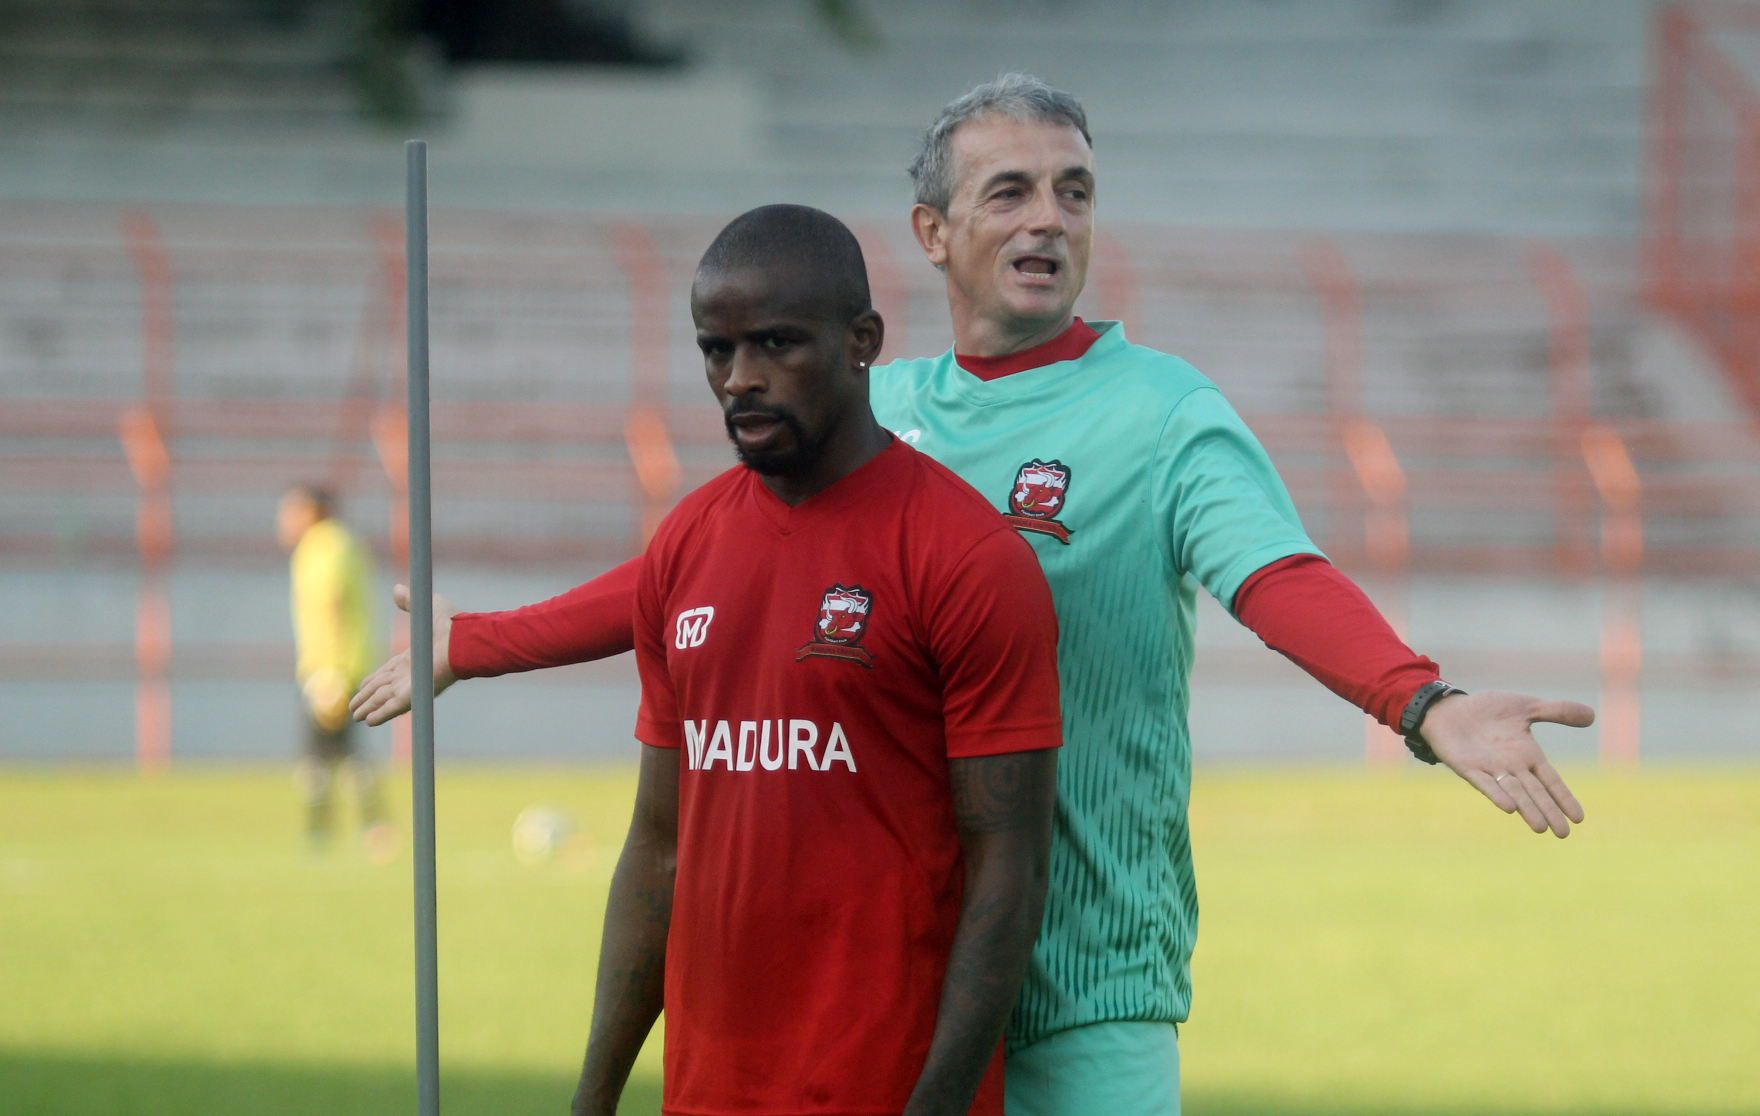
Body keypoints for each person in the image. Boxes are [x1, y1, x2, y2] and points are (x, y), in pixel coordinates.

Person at [353, 77, 1594, 1115]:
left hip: (1087, 969)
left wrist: (1421, 704)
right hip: (895, 988)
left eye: (1074, 191)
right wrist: (475, 642)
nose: (1046, 218)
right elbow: (698, 578)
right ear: (932, 233)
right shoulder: (872, 409)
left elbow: (1276, 574)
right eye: (1008, 190)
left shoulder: (1159, 414)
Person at [571, 205, 1063, 1116]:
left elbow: (1011, 866)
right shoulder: (684, 546)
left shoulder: (968, 558)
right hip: (708, 1093)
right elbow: (659, 847)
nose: (741, 380)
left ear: (861, 341)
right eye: (716, 352)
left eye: (776, 345)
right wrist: (593, 1098)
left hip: (880, 1086)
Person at [276, 484, 384, 850]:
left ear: (312, 511)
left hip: (332, 671)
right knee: (344, 754)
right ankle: (372, 828)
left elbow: (332, 603)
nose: (284, 520)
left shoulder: (323, 545)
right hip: (345, 665)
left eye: (291, 511)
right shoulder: (343, 542)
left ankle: (327, 833)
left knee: (322, 758)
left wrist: (330, 673)